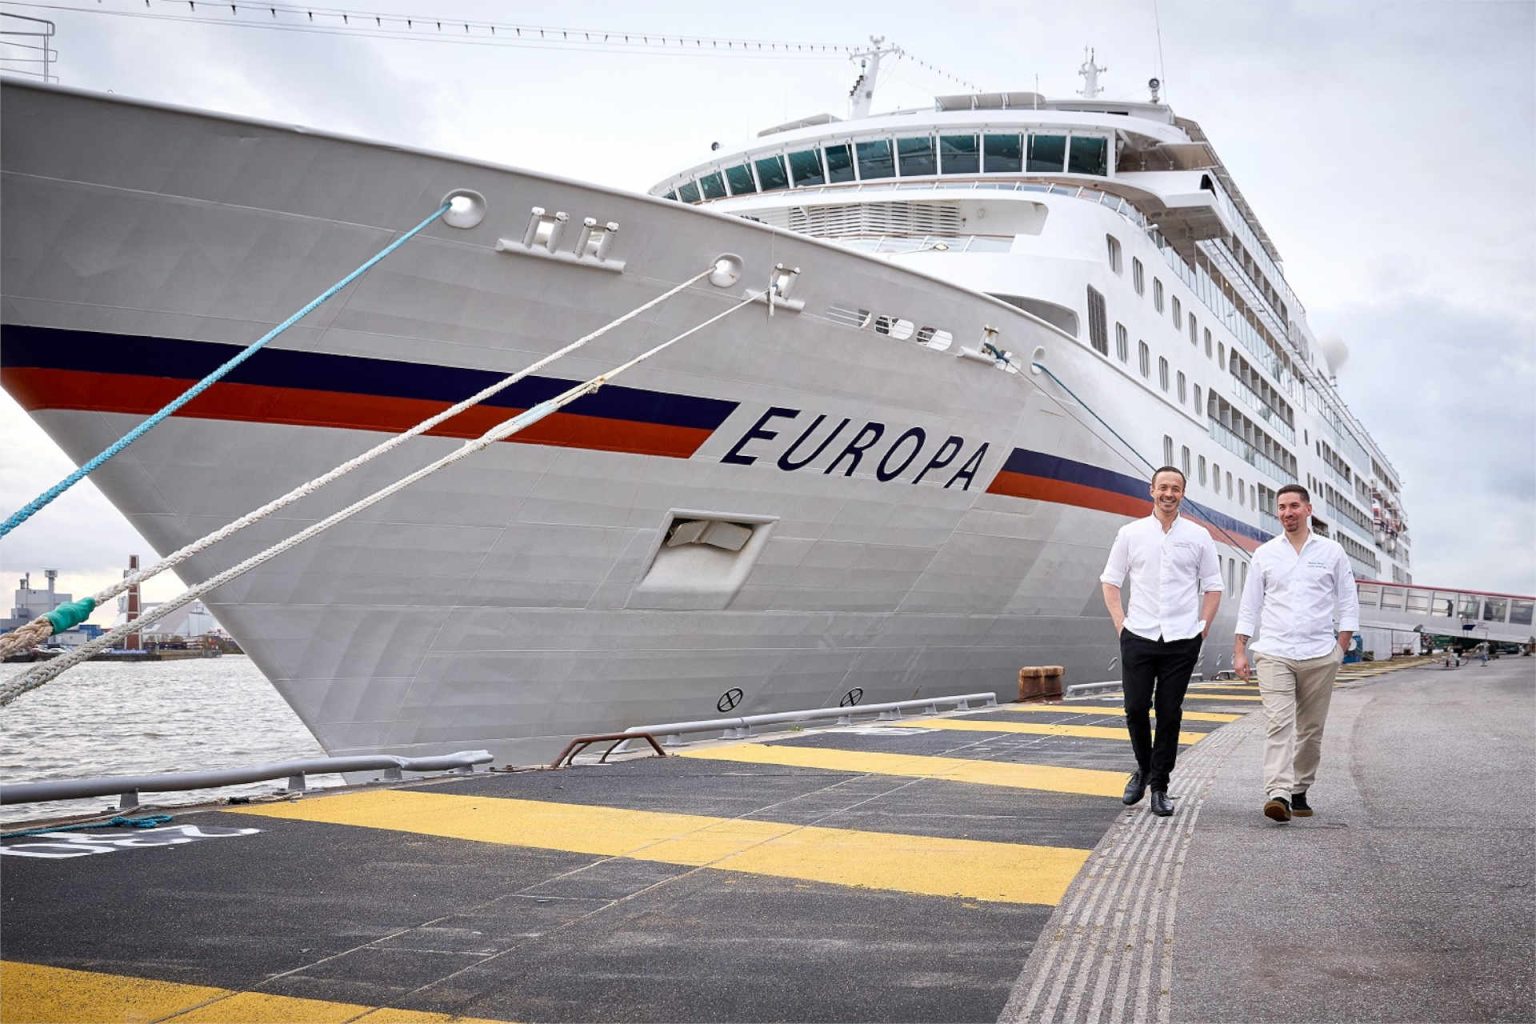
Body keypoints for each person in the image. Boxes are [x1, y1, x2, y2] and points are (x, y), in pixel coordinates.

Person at [1100, 466, 1224, 817]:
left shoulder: (1198, 536)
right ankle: (1144, 768)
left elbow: (1213, 586)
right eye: (1163, 488)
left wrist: (1203, 627)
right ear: (1151, 490)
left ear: (1182, 494)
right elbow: (1110, 581)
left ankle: (1160, 787)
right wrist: (1121, 625)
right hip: (1138, 634)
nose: (1169, 494)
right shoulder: (1131, 533)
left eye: (1176, 489)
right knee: (1135, 708)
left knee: (1169, 713)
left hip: (1182, 639)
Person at [1233, 484, 1360, 823]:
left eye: (1293, 506)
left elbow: (1348, 602)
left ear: (1308, 509)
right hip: (1275, 651)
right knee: (1278, 723)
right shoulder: (1265, 554)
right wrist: (1240, 649)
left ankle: (1300, 788)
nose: (1287, 513)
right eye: (1281, 507)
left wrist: (1340, 648)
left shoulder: (1331, 552)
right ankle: (1277, 793)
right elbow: (1250, 605)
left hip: (1320, 654)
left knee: (1311, 729)